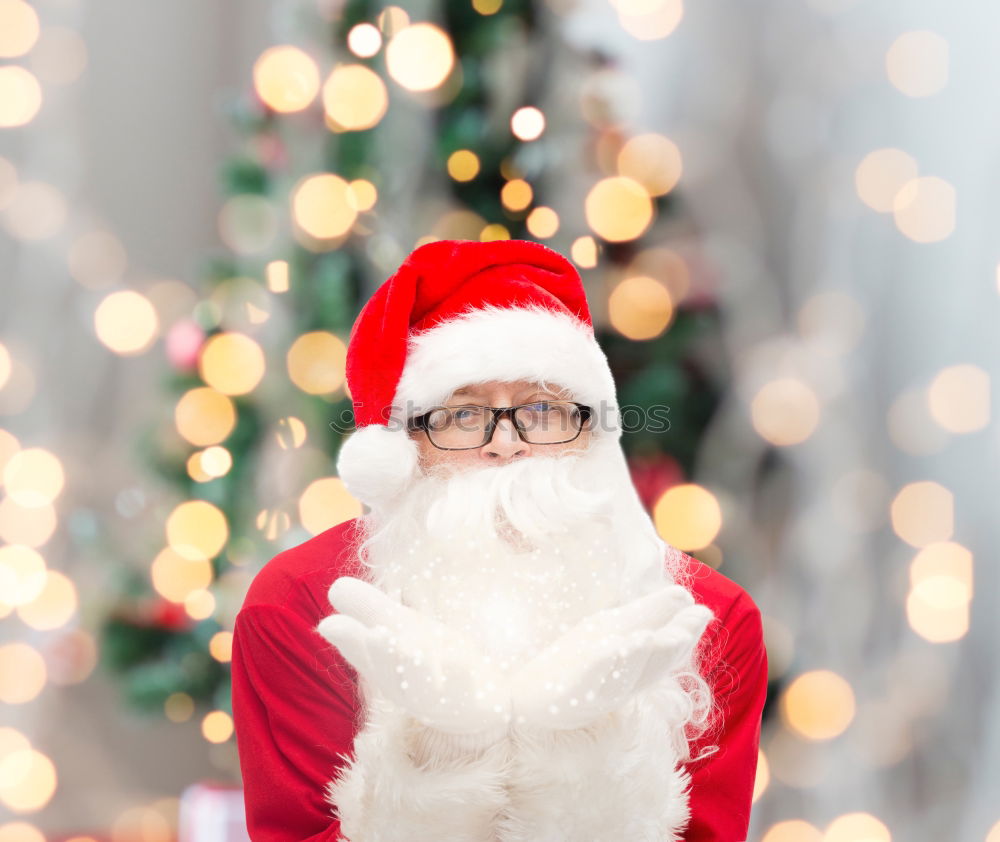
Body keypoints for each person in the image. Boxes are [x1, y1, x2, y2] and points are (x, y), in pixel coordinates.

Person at [231, 239, 768, 842]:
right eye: (462, 415)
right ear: (406, 442)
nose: (507, 444)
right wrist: (442, 766)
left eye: (542, 410)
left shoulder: (708, 620)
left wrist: (576, 766)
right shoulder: (298, 607)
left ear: (589, 430)